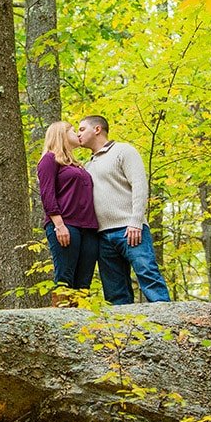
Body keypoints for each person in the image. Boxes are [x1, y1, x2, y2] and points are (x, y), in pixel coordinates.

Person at [75, 115, 170, 305]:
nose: (78, 134)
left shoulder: (123, 151)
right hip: (102, 236)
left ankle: (170, 326)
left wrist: (136, 222)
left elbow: (140, 186)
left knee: (148, 277)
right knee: (115, 292)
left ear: (97, 129)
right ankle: (123, 334)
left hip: (130, 229)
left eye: (82, 129)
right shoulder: (87, 165)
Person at [36, 121, 100, 305]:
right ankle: (62, 324)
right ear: (62, 134)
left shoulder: (77, 164)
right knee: (65, 277)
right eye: (74, 131)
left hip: (88, 228)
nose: (78, 134)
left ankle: (82, 327)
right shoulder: (49, 159)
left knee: (84, 283)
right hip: (66, 224)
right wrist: (59, 225)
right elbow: (47, 194)